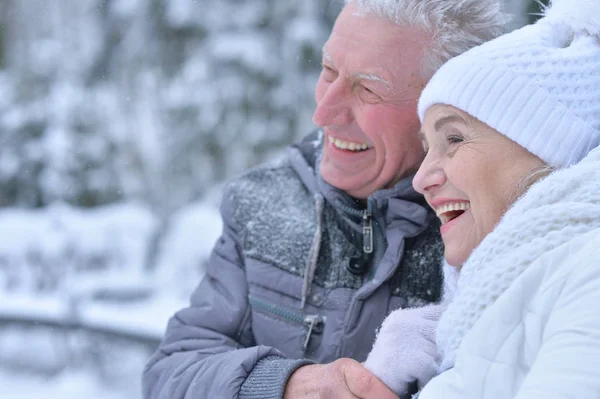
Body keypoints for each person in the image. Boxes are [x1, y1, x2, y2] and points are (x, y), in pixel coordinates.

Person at [142, 1, 508, 398]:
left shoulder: (499, 227)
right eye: (328, 70)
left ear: (448, 109)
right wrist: (285, 386)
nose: (324, 112)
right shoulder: (261, 202)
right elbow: (172, 373)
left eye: (368, 89)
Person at [372, 0, 600, 397]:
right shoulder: (502, 298)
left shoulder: (590, 276)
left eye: (454, 139)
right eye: (427, 147)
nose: (422, 178)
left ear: (549, 148)